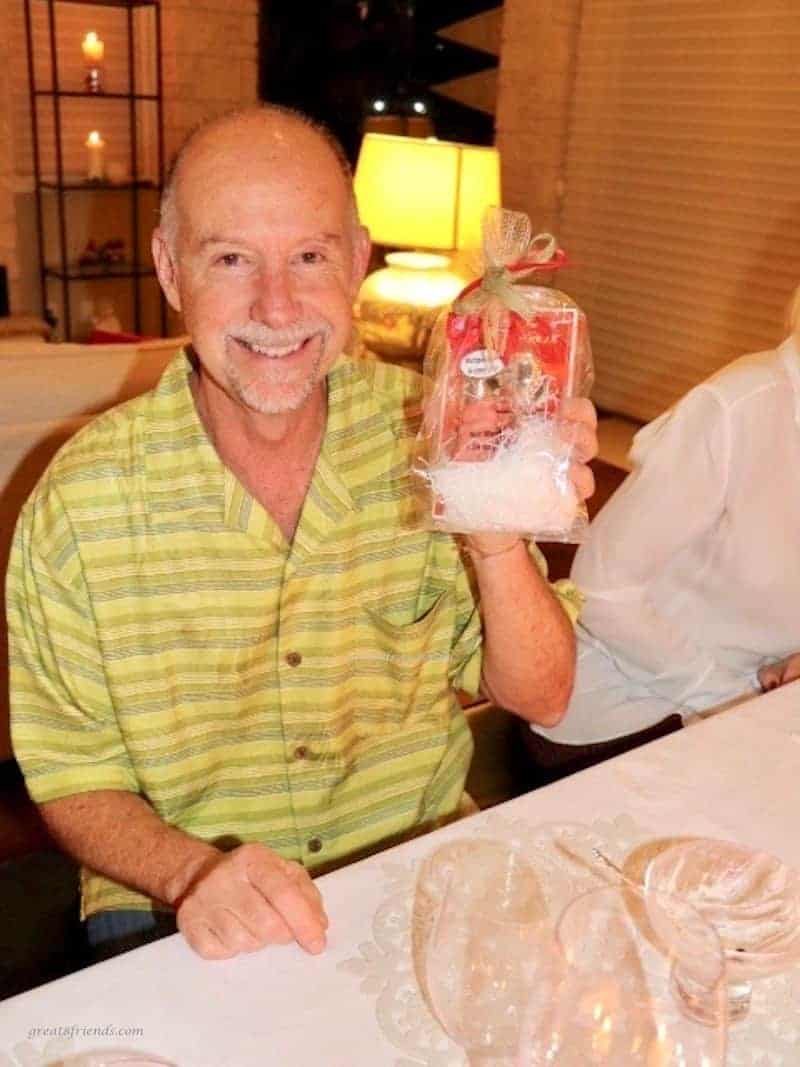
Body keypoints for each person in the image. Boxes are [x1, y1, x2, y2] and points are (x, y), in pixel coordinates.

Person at [7, 105, 597, 964]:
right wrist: (187, 874)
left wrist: (494, 531)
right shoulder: (77, 506)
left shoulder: (437, 429)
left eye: (311, 257)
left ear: (358, 261)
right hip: (176, 905)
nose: (276, 307)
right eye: (232, 258)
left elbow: (542, 696)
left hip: (412, 868)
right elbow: (70, 772)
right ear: (171, 269)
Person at [524, 308, 800, 784]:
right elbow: (601, 590)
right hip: (632, 719)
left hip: (752, 711)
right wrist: (733, 700)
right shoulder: (736, 409)